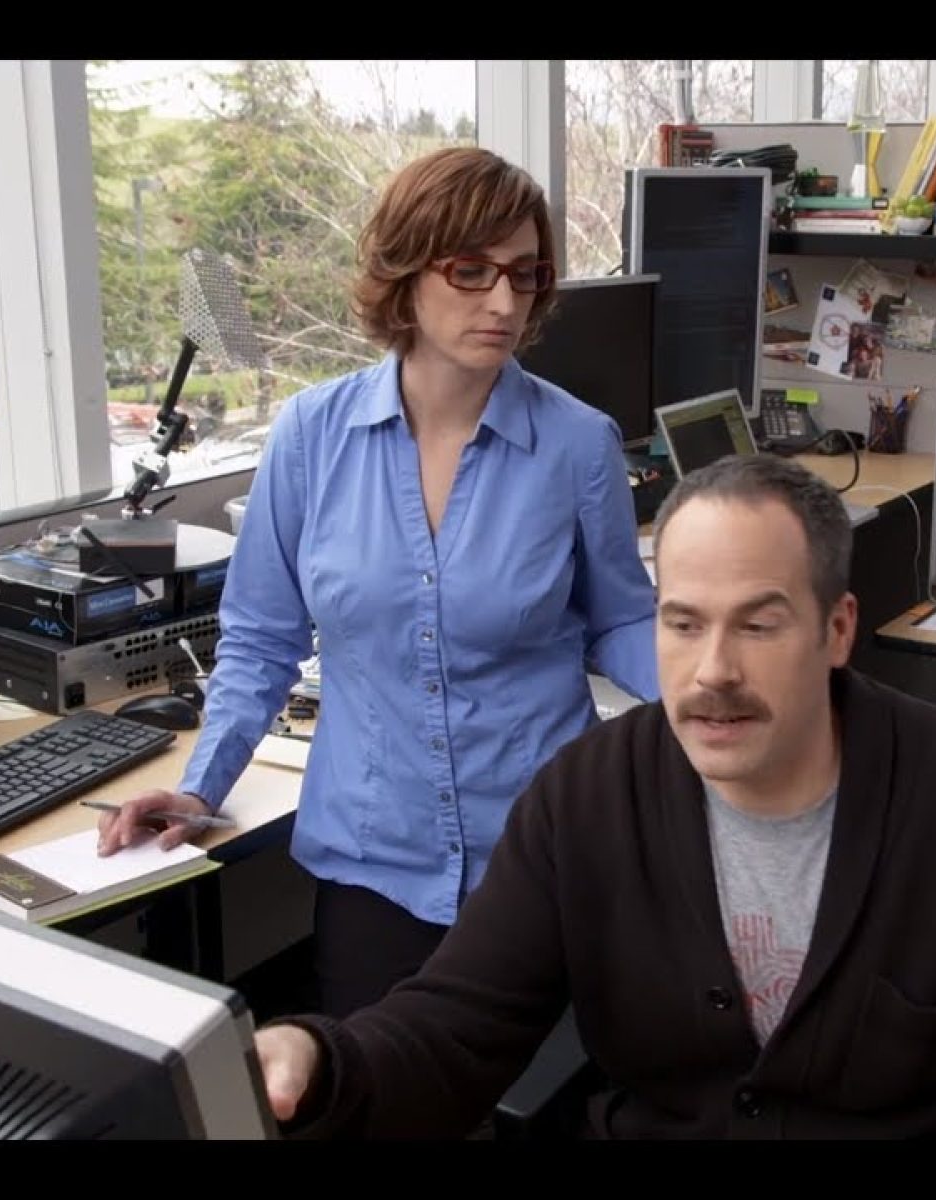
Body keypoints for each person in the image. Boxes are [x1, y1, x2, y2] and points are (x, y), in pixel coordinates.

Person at [253, 454, 936, 1139]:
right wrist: (319, 1058)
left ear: (838, 629)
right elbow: (455, 1028)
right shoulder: (585, 799)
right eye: (683, 624)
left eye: (758, 626)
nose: (713, 671)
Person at [98, 147, 659, 1018]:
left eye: (524, 274)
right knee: (378, 1083)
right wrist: (203, 785)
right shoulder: (309, 436)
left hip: (542, 849)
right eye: (470, 271)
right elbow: (261, 638)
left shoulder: (579, 444)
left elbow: (620, 621)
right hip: (374, 861)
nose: (504, 302)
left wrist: (718, 695)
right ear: (405, 270)